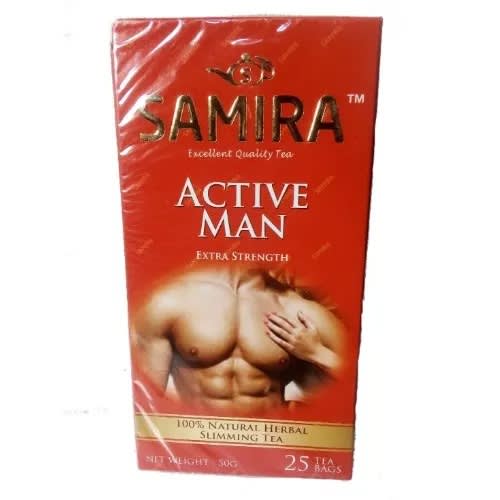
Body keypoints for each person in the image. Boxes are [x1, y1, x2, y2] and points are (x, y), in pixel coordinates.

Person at [132, 266, 346, 416]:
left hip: (270, 446)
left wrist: (317, 353)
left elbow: (355, 382)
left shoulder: (297, 309)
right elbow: (147, 404)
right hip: (198, 443)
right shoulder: (170, 300)